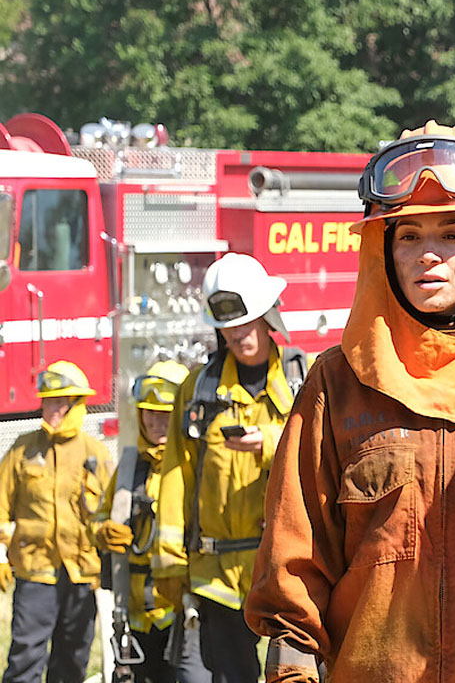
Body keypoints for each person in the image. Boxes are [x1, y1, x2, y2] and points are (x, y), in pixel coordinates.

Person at [244, 121, 455, 682]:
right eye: (408, 236)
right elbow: (293, 564)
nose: (430, 255)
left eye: (453, 235)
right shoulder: (336, 385)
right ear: (384, 251)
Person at [153, 252, 306, 683]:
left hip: (285, 569)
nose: (238, 334)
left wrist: (272, 444)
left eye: (246, 322)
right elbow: (175, 473)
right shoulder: (197, 391)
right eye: (228, 326)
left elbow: (323, 457)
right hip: (214, 575)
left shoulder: (305, 379)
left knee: (292, 675)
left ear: (268, 315)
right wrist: (168, 561)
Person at [96, 360, 211, 683]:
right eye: (150, 414)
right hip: (137, 619)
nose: (157, 423)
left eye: (165, 414)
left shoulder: (196, 465)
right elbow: (103, 514)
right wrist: (102, 530)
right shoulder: (129, 466)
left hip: (186, 614)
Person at [0, 360, 112, 683]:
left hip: (81, 574)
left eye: (61, 401)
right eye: (48, 400)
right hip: (36, 573)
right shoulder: (23, 450)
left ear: (77, 404)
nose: (52, 408)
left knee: (73, 659)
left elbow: (110, 516)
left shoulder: (97, 453)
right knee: (25, 657)